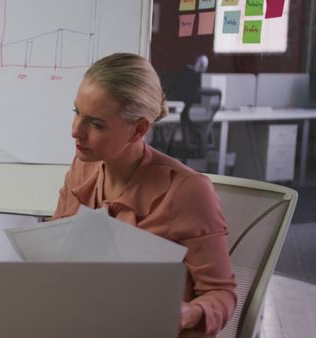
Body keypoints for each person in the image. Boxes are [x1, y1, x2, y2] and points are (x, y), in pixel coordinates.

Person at [51, 53, 236, 335]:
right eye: (76, 112)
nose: (75, 131)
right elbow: (54, 253)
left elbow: (221, 293)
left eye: (96, 124)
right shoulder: (82, 169)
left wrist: (189, 314)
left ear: (139, 129)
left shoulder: (188, 191)